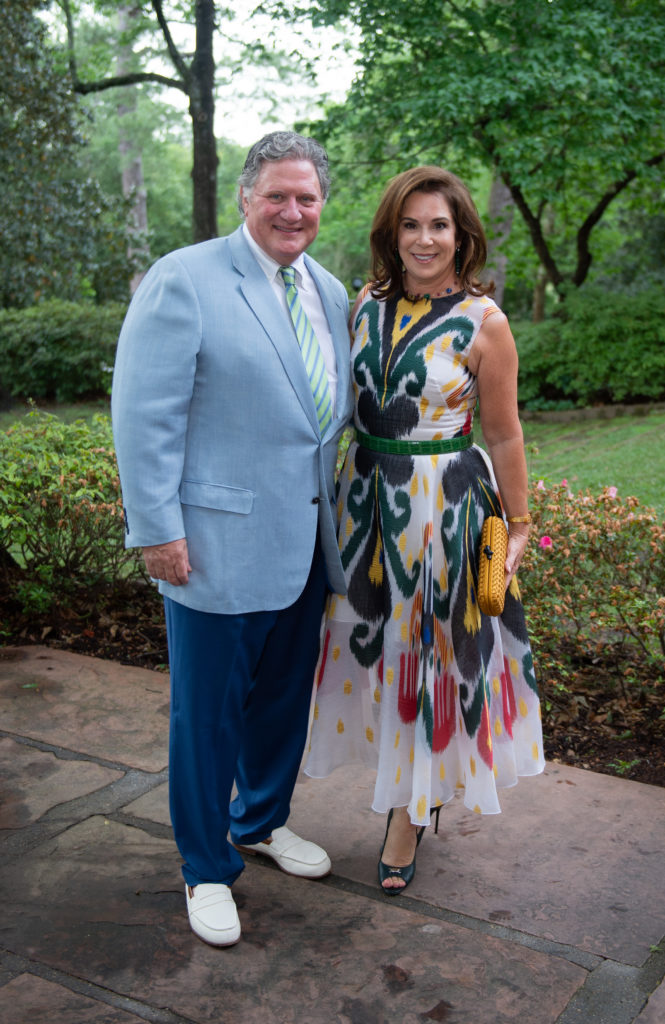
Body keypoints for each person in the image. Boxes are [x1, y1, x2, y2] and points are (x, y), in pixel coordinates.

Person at [111, 131, 353, 945]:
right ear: (247, 196)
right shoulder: (186, 279)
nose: (293, 211)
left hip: (308, 546)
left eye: (308, 197)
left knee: (284, 701)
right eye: (278, 195)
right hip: (211, 544)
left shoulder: (330, 290)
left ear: (323, 205)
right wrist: (156, 530)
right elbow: (144, 414)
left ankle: (261, 819)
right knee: (207, 717)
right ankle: (204, 866)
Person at [304, 166, 545, 894]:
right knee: (375, 649)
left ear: (461, 232)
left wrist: (521, 523)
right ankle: (413, 783)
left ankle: (410, 811)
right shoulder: (363, 304)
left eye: (438, 224)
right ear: (392, 233)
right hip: (364, 504)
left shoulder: (484, 321)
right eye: (410, 225)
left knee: (432, 655)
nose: (424, 238)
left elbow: (503, 435)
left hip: (447, 510)